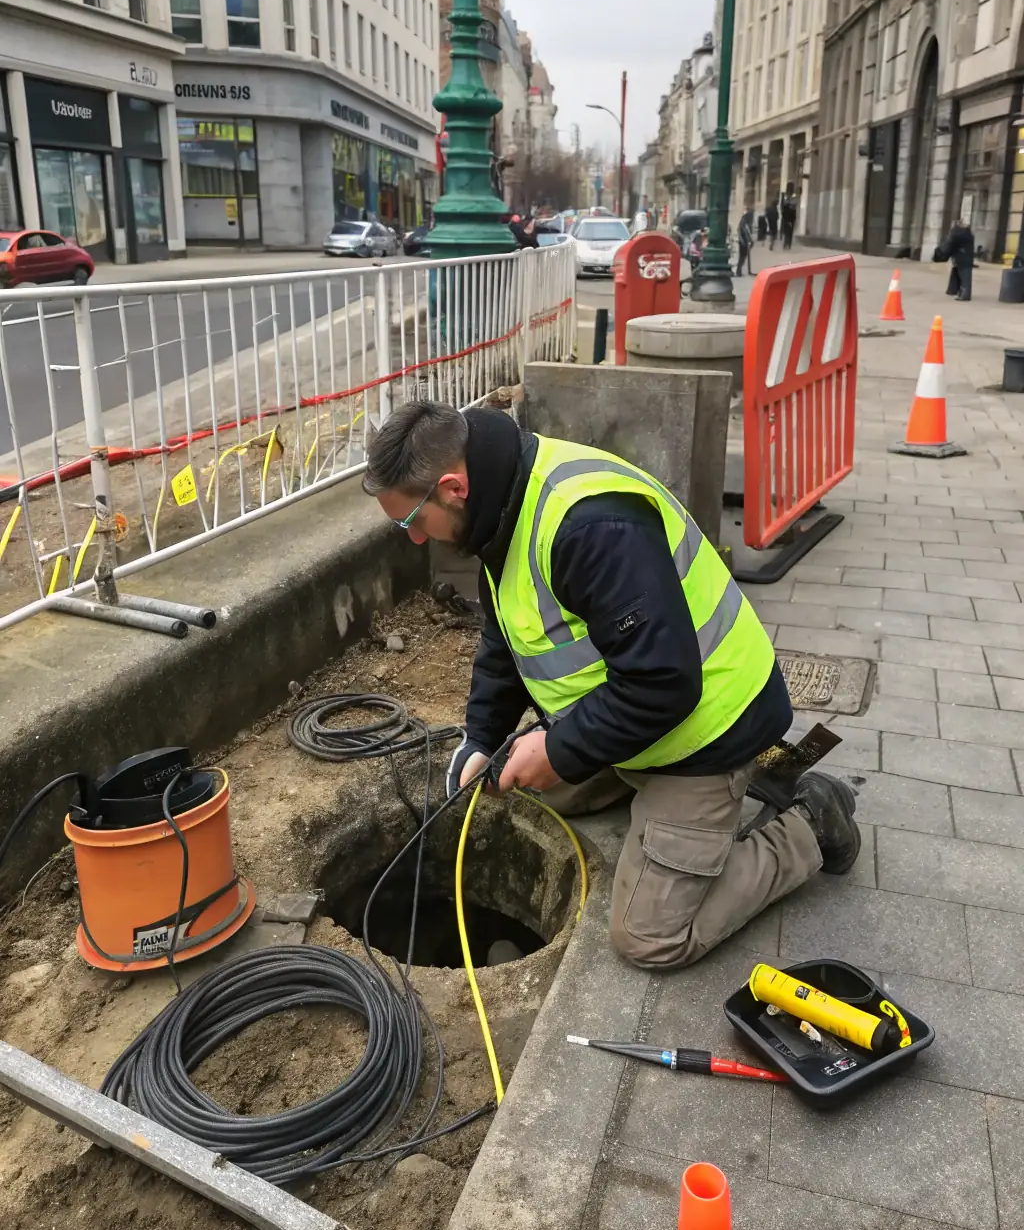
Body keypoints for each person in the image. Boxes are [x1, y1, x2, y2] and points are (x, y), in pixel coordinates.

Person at [363, 402, 860, 971]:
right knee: (524, 785)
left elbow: (663, 683)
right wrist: (481, 738)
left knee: (648, 938)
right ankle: (648, 801)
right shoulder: (501, 509)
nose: (417, 541)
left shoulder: (589, 526)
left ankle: (810, 826)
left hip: (707, 733)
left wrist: (560, 749)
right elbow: (508, 642)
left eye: (412, 522)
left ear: (453, 487)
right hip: (638, 720)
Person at [937, 219, 975, 301]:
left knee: (964, 276)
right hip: (967, 256)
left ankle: (965, 294)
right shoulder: (968, 233)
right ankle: (954, 290)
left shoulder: (956, 233)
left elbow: (950, 244)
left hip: (960, 257)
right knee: (959, 273)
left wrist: (943, 253)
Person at [736, 208, 755, 277]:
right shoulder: (744, 221)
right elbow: (741, 232)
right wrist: (743, 241)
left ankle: (740, 271)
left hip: (745, 241)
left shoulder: (747, 222)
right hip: (743, 242)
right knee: (742, 257)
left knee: (743, 257)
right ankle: (738, 271)